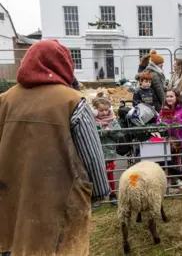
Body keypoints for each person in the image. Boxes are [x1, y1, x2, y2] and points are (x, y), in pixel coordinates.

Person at [0, 40, 110, 256]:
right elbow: (92, 155)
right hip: (60, 208)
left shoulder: (4, 101)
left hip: (12, 208)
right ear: (63, 65)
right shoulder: (73, 101)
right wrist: (99, 192)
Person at [92, 93, 123, 208]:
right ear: (95, 111)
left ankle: (112, 194)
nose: (104, 113)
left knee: (110, 174)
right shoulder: (93, 121)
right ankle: (99, 195)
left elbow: (120, 133)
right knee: (98, 174)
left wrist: (110, 130)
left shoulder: (113, 121)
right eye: (101, 111)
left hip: (109, 152)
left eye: (106, 110)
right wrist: (105, 131)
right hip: (97, 153)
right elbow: (94, 133)